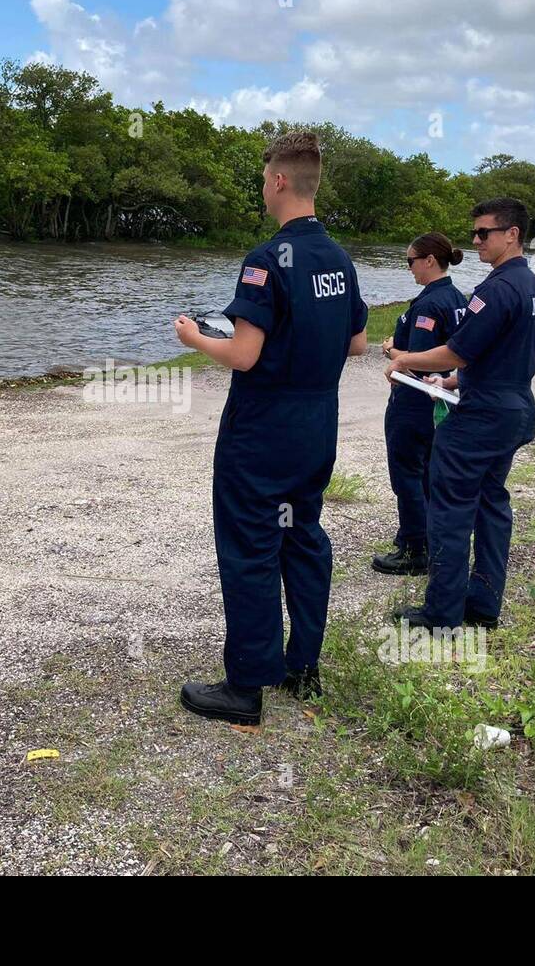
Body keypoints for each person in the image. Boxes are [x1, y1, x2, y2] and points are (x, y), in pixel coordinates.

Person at [172, 131, 368, 725]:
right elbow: (356, 342)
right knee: (302, 535)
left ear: (279, 181)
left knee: (251, 546)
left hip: (262, 429)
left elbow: (245, 356)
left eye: (264, 179)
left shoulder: (266, 259)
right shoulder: (339, 259)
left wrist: (196, 337)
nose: (262, 188)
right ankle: (303, 665)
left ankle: (246, 686)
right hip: (317, 423)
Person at [384, 197, 535, 629]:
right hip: (513, 407)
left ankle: (441, 613)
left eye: (484, 232)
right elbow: (500, 356)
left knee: (450, 511)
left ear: (512, 234)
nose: (475, 240)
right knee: (492, 505)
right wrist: (454, 380)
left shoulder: (495, 290)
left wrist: (405, 360)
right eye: (474, 232)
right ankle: (483, 605)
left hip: (481, 418)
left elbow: (456, 350)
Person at [372, 234, 467, 577]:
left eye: (410, 261)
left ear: (429, 261)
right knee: (427, 471)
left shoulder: (429, 305)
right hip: (439, 399)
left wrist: (392, 352)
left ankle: (414, 548)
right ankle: (427, 538)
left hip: (414, 399)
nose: (408, 268)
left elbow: (420, 360)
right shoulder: (457, 297)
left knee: (407, 474)